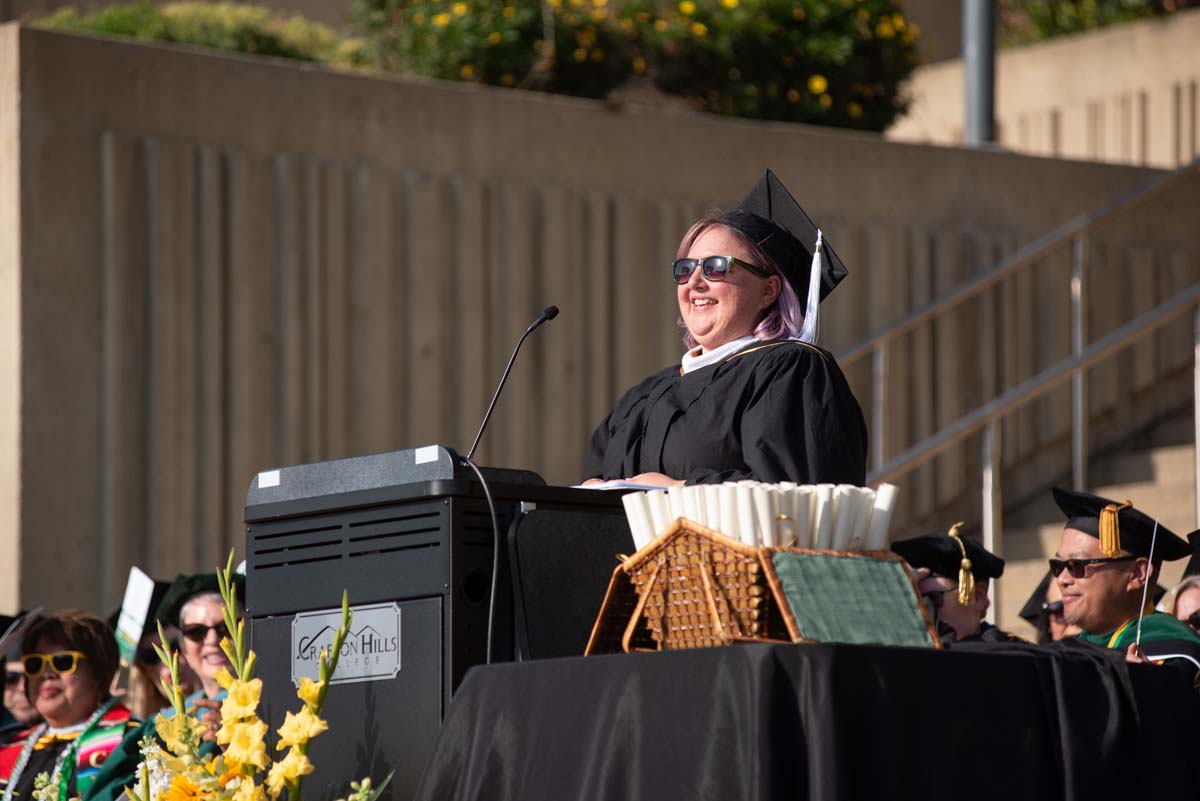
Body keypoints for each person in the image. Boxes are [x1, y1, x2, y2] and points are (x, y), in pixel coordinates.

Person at [581, 170, 867, 487]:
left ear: (769, 290)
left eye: (716, 267)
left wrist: (676, 490)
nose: (695, 282)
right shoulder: (648, 392)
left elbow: (796, 495)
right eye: (685, 269)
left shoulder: (790, 370)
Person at [85, 572, 245, 801]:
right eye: (196, 632)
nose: (212, 640)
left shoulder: (270, 705)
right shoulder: (159, 727)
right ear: (186, 643)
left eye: (227, 626)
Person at [1049, 487, 1200, 667]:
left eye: (1077, 566)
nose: (1062, 579)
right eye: (1058, 566)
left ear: (1137, 574)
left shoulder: (1176, 653)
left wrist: (1148, 684)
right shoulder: (1062, 655)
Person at [0, 612, 138, 801]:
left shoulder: (133, 742)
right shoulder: (8, 744)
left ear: (98, 673)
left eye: (63, 662)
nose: (47, 673)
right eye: (35, 664)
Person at [892, 524, 1022, 644]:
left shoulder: (1013, 660)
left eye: (933, 597)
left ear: (978, 596)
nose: (921, 609)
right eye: (913, 598)